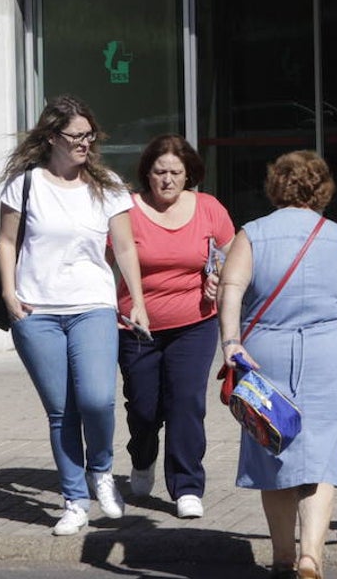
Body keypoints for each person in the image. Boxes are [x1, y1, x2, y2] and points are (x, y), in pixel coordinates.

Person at [218, 151, 337, 579]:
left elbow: (230, 288)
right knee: (322, 456)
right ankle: (311, 555)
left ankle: (283, 555)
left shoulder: (253, 234)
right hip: (329, 356)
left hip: (266, 357)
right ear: (322, 190)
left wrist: (230, 342)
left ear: (275, 186)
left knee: (273, 452)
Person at [0, 94, 148, 535]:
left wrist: (135, 299)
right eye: (76, 136)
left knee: (97, 399)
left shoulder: (108, 186)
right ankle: (74, 500)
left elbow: (123, 248)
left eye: (89, 135)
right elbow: (7, 242)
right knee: (61, 412)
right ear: (51, 137)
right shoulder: (25, 184)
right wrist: (9, 294)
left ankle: (101, 470)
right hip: (36, 310)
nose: (85, 142)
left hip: (92, 307)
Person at [115, 134, 235, 520]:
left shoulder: (209, 208)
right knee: (145, 408)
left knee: (186, 402)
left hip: (195, 321)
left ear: (189, 175)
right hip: (137, 325)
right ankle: (143, 457)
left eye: (175, 173)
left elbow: (232, 255)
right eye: (159, 172)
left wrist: (219, 277)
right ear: (147, 174)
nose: (167, 180)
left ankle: (186, 486)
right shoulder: (126, 210)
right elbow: (102, 260)